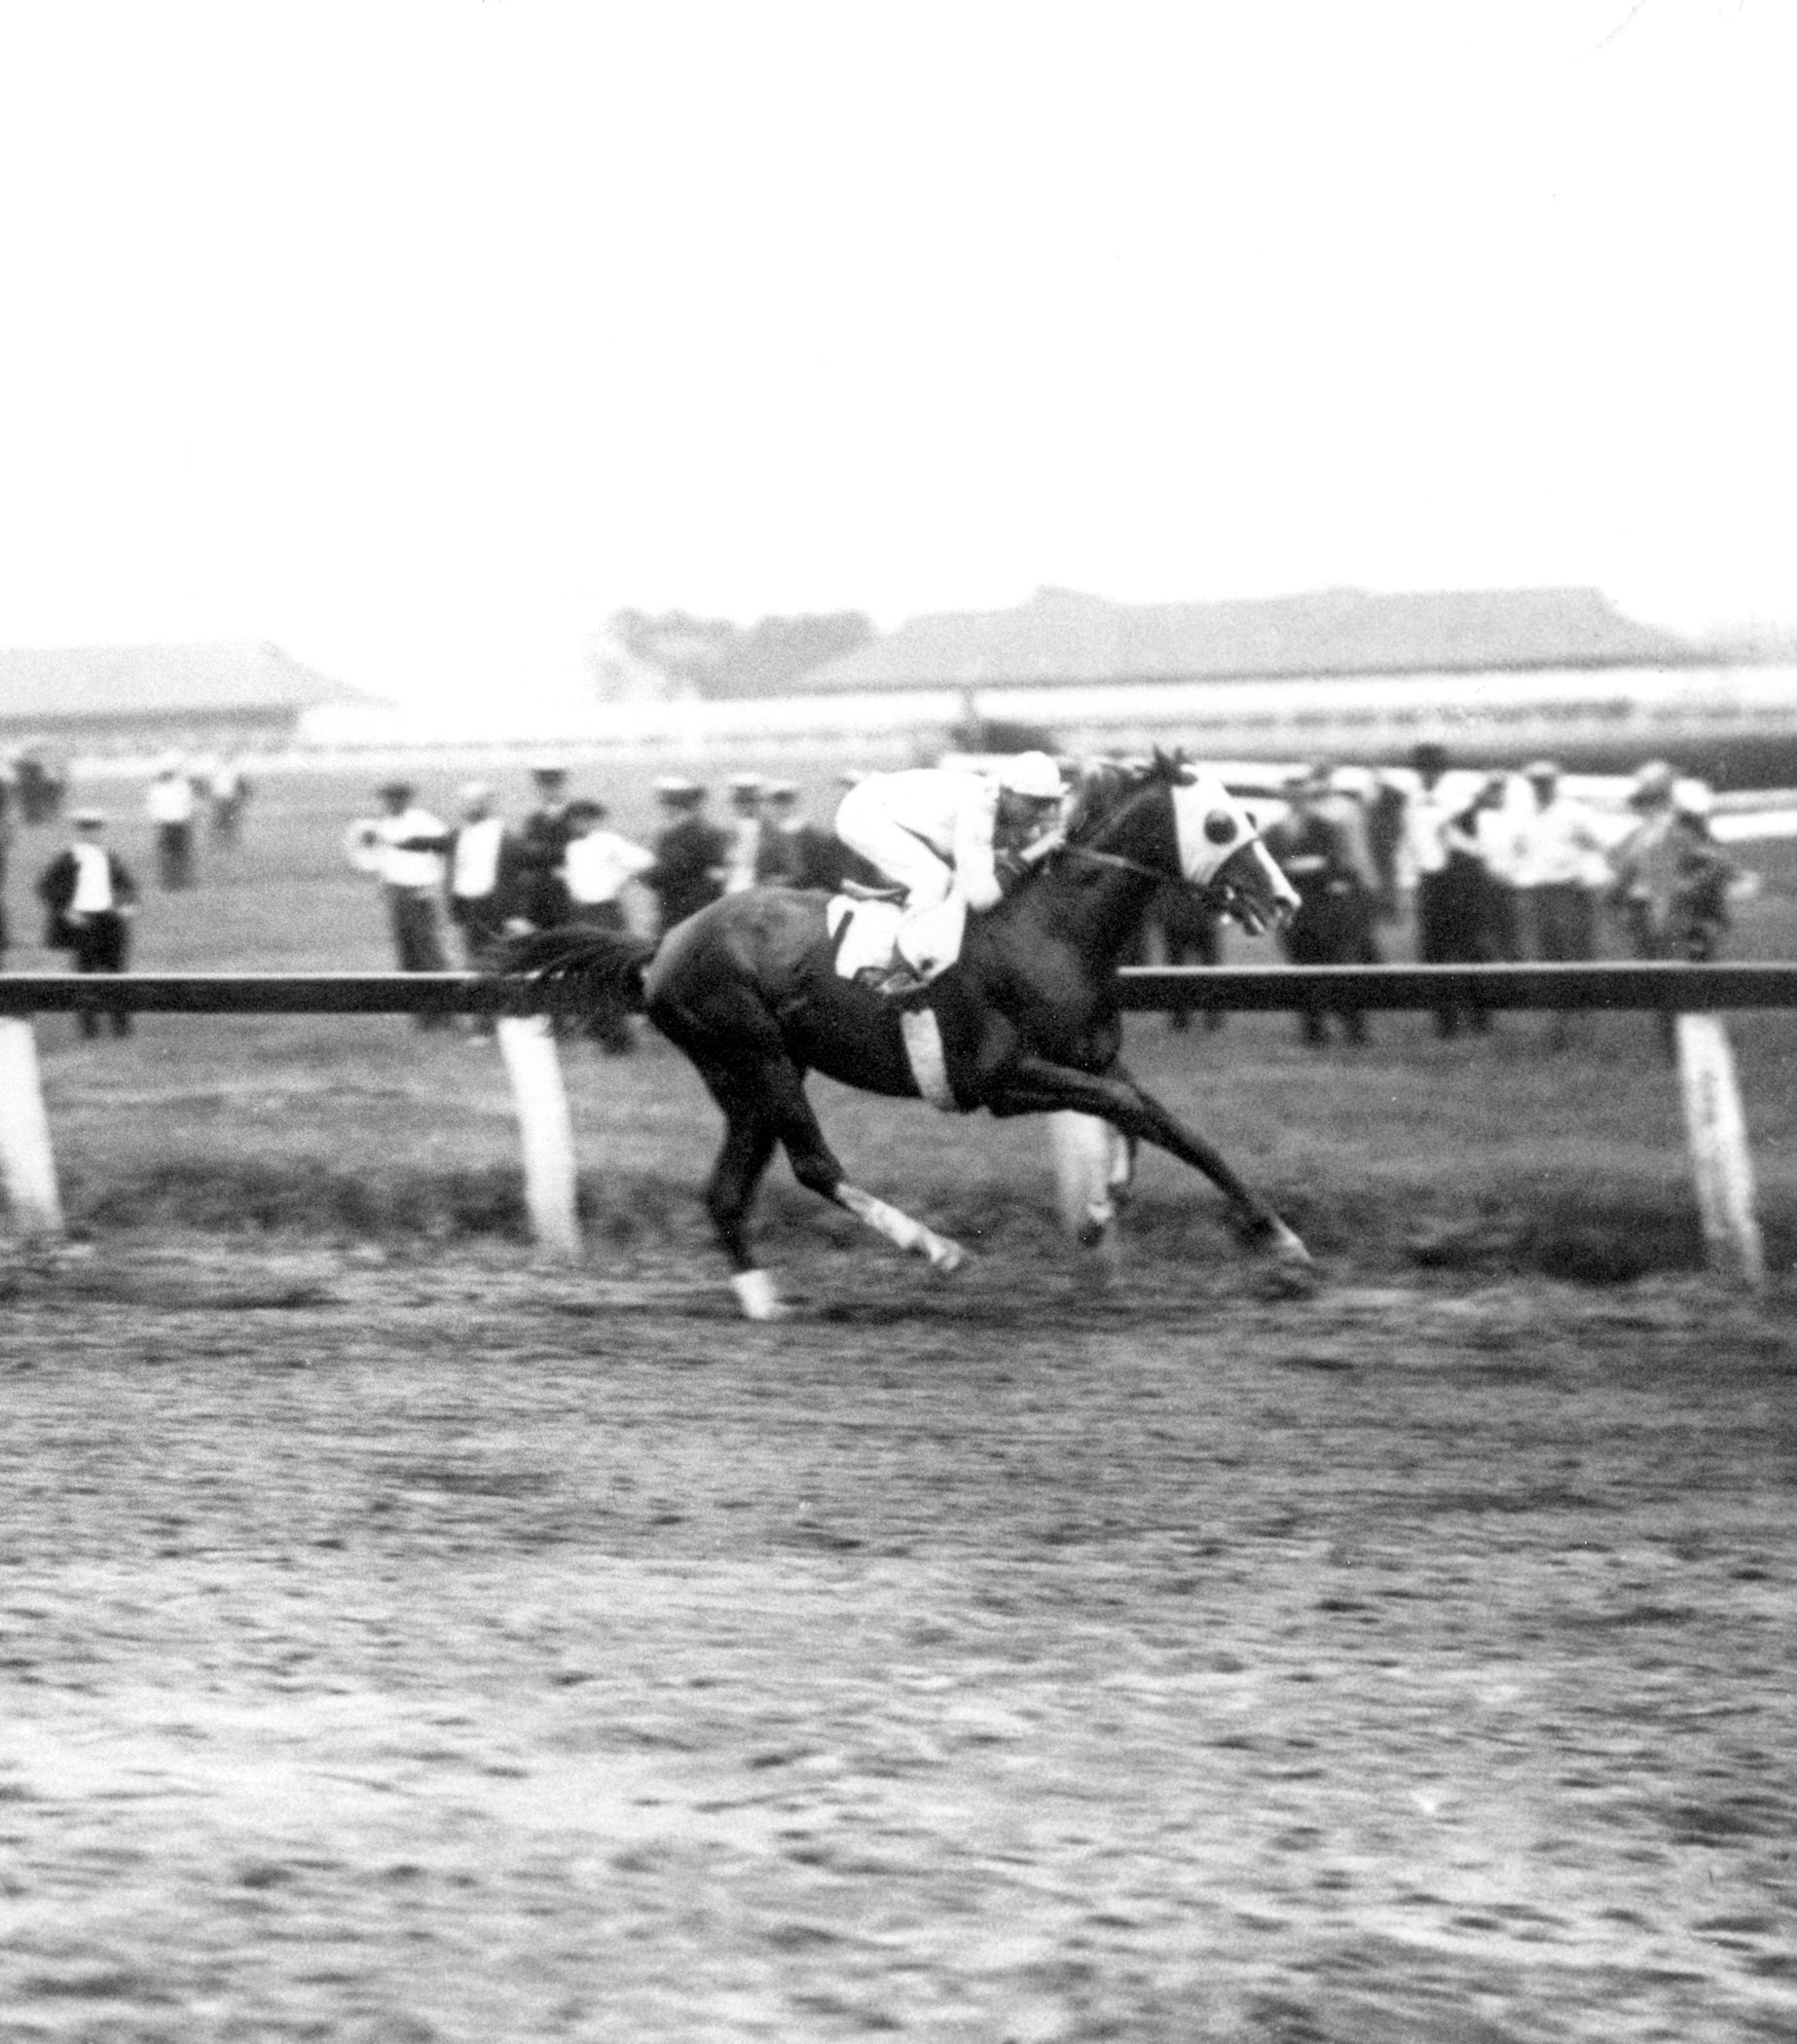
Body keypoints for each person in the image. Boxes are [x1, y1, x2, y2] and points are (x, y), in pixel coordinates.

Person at [832, 749, 1067, 996]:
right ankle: (896, 970)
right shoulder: (980, 807)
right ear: (1007, 792)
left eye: (1049, 803)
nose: (1042, 813)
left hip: (896, 815)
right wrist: (1037, 849)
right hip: (863, 814)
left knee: (947, 878)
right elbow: (982, 899)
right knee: (936, 878)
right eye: (1035, 803)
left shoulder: (999, 798)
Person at [1264, 766, 1378, 1046]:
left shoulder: (1325, 827)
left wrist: (1300, 869)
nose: (1296, 801)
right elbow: (1271, 870)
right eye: (1291, 796)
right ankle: (1314, 1033)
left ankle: (1355, 1031)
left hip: (1326, 912)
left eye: (1301, 796)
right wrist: (1308, 867)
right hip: (1294, 915)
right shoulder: (1274, 832)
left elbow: (1337, 866)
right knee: (1302, 975)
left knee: (1339, 972)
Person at [345, 780, 452, 1028]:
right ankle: (422, 1016)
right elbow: (381, 860)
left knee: (430, 957)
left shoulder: (425, 823)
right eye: (386, 799)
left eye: (395, 799)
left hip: (419, 895)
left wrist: (432, 887)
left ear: (406, 799)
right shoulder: (383, 825)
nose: (390, 804)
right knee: (408, 958)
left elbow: (442, 853)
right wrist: (384, 887)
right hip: (397, 897)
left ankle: (445, 1015)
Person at [1400, 741, 1484, 1037]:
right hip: (1430, 883)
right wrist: (1410, 882)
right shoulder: (1412, 800)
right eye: (1422, 769)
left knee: (1469, 950)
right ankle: (1446, 1022)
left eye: (1432, 769)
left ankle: (1479, 1017)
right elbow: (1410, 843)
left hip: (1460, 881)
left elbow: (1474, 845)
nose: (1427, 774)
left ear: (1442, 770)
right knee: (1433, 954)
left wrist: (1451, 837)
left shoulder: (1460, 799)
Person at [561, 797, 656, 1053]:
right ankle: (600, 1030)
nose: (579, 824)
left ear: (593, 820)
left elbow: (644, 860)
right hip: (581, 912)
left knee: (606, 974)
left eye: (584, 819)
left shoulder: (607, 841)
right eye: (574, 820)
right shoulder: (571, 846)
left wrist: (620, 878)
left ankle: (618, 1038)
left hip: (604, 911)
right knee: (588, 974)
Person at [36, 809, 139, 1039]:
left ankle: (121, 1028)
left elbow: (126, 885)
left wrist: (127, 906)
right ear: (80, 832)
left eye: (96, 830)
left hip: (110, 921)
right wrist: (65, 911)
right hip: (84, 923)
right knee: (85, 976)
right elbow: (46, 887)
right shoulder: (68, 858)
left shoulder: (109, 857)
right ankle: (89, 1029)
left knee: (117, 974)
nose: (92, 834)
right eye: (87, 830)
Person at [643, 778, 730, 936]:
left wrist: (642, 874)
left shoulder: (681, 835)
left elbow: (671, 870)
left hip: (683, 912)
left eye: (668, 807)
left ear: (677, 808)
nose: (665, 812)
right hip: (698, 910)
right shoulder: (709, 832)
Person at [514, 762, 579, 932]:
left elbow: (572, 853)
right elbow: (524, 856)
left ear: (561, 786)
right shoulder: (534, 819)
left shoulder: (575, 816)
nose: (548, 791)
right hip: (540, 892)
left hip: (568, 892)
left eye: (553, 785)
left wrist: (540, 852)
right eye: (543, 786)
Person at [146, 755, 199, 890]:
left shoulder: (176, 786)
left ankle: (177, 881)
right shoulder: (165, 787)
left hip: (176, 824)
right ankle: (172, 882)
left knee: (178, 855)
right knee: (172, 855)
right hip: (172, 825)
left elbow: (189, 804)